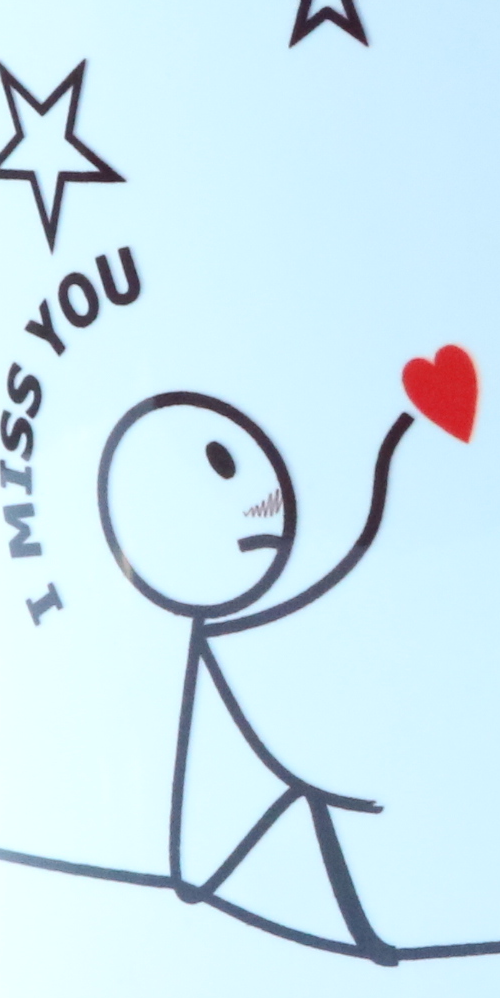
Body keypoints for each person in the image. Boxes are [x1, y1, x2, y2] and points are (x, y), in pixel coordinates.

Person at [98, 390, 418, 959]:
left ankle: (356, 930)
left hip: (230, 795)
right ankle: (358, 931)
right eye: (221, 466)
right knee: (283, 807)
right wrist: (387, 468)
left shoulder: (230, 632)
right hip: (165, 925)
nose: (268, 501)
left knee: (273, 814)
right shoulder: (225, 635)